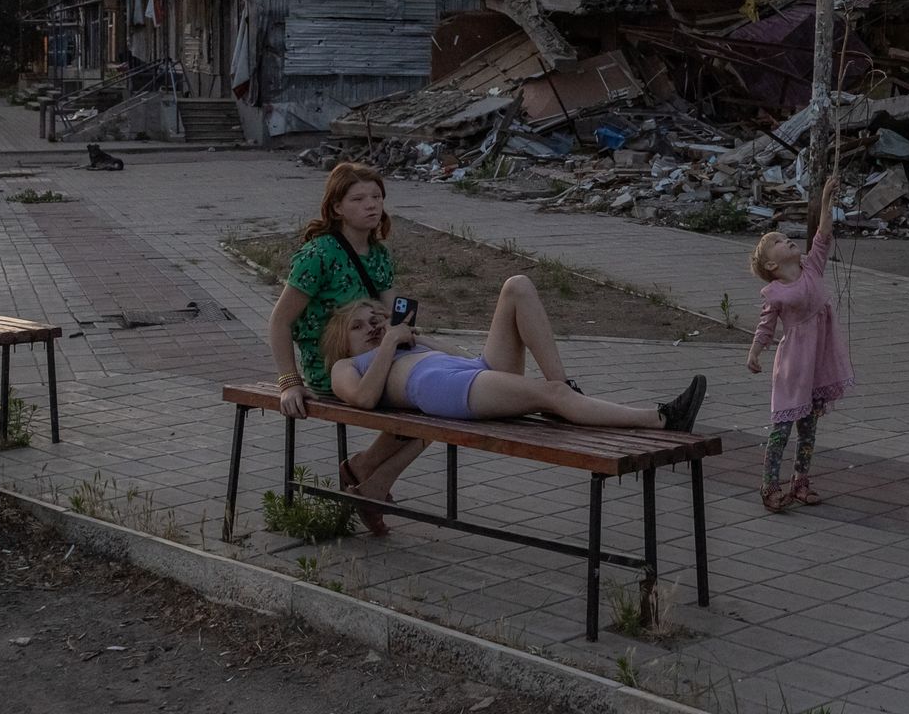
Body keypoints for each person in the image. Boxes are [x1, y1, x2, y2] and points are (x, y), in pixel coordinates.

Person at [265, 162, 425, 536]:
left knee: (435, 394)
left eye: (377, 197)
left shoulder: (379, 255)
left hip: (373, 357)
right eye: (358, 199)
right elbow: (279, 322)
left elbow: (392, 313)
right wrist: (289, 382)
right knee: (429, 396)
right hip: (333, 368)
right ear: (336, 207)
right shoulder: (318, 255)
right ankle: (368, 478)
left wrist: (405, 329)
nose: (371, 205)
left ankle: (367, 475)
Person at [321, 285, 707, 430]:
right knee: (550, 396)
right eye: (358, 326)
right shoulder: (347, 366)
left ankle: (564, 388)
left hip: (471, 373)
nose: (372, 326)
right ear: (342, 340)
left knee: (516, 287)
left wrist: (417, 338)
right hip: (448, 388)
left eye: (376, 319)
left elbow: (463, 356)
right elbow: (364, 399)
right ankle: (660, 419)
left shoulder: (404, 344)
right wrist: (389, 343)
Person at [746, 176, 854, 512]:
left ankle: (801, 481)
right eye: (778, 242)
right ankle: (769, 485)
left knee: (808, 428)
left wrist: (826, 199)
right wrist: (755, 352)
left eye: (785, 237)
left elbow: (823, 233)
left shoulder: (812, 268)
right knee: (781, 429)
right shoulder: (776, 293)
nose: (787, 240)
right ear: (772, 266)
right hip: (793, 366)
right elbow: (766, 326)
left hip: (818, 362)